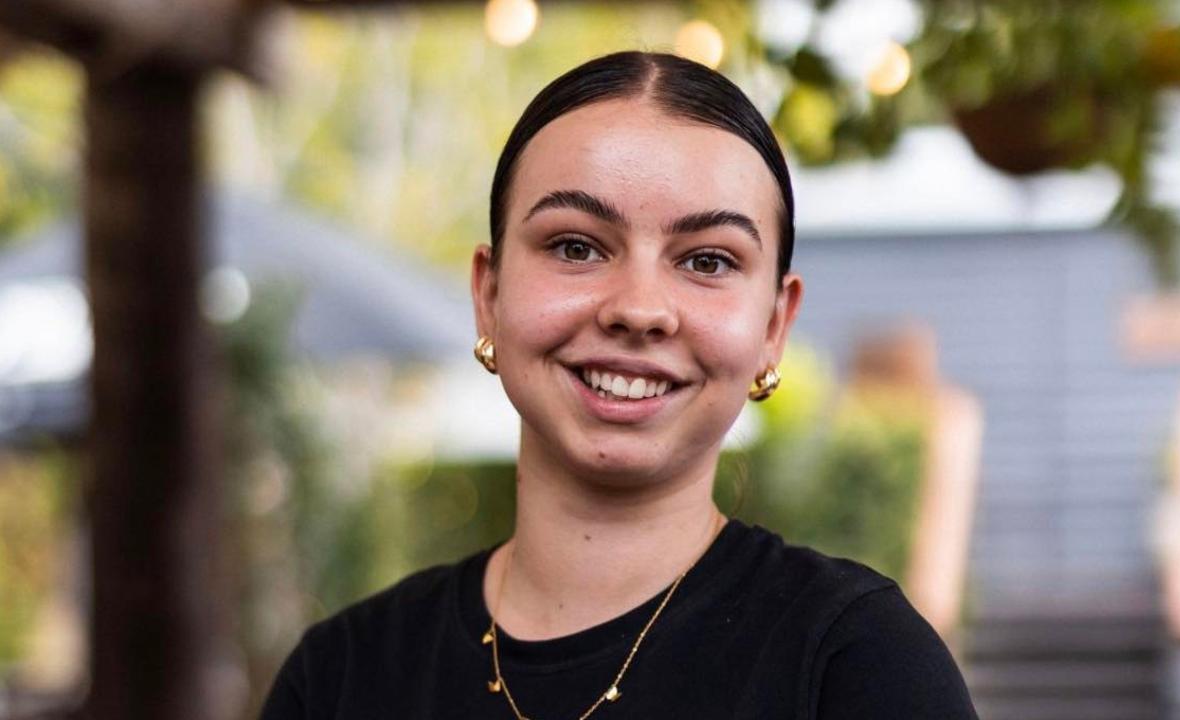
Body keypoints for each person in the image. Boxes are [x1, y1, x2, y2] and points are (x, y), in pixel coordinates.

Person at [260, 50, 978, 719]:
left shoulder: (858, 665)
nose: (638, 309)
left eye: (706, 261)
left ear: (772, 327)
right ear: (489, 294)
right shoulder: (341, 678)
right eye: (576, 246)